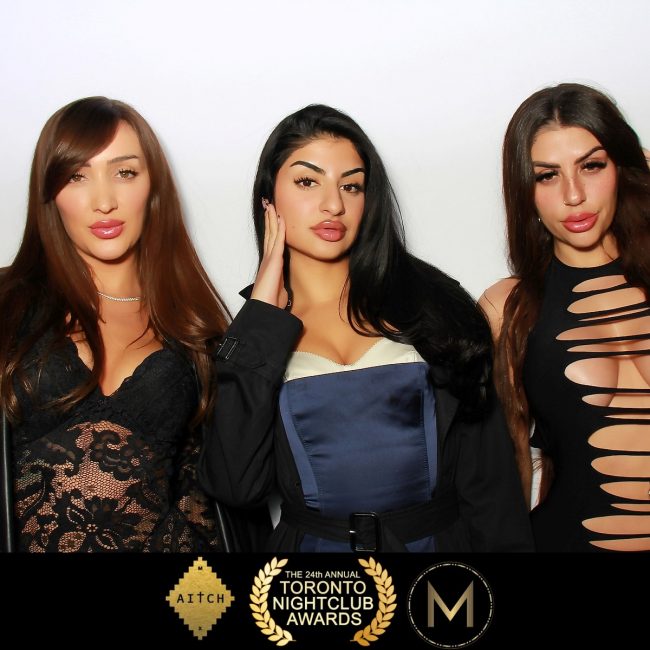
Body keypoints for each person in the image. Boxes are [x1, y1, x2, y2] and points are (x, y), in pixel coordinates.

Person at [199, 104, 533, 552]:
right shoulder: (253, 336)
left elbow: (491, 486)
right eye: (307, 181)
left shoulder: (434, 306)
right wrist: (261, 314)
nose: (333, 204)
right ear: (268, 199)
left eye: (351, 185)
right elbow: (236, 485)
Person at [0, 97, 236, 552]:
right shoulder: (8, 305)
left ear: (153, 185)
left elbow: (208, 502)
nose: (104, 201)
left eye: (125, 173)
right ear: (49, 192)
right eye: (77, 176)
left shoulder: (193, 331)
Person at [480, 83, 650, 552]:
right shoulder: (508, 307)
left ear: (620, 167)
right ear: (525, 190)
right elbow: (507, 474)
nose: (574, 195)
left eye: (592, 166)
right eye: (547, 176)